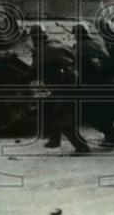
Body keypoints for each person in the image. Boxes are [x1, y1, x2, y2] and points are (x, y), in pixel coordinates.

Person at [31, 25, 90, 154]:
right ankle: (55, 139)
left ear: (34, 38)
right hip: (72, 83)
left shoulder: (41, 51)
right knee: (58, 113)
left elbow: (33, 71)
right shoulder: (58, 45)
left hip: (63, 87)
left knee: (61, 119)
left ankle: (81, 147)